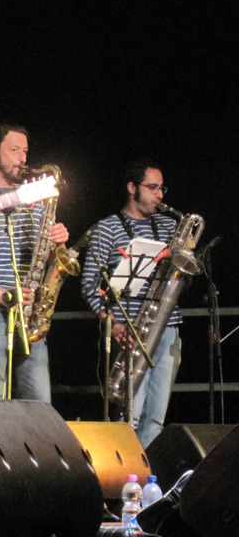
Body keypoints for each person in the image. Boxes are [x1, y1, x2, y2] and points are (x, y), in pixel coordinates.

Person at [0, 123, 68, 402]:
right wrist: (3, 295)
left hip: (28, 314)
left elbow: (45, 257)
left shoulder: (36, 199)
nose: (23, 158)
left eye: (26, 151)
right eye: (15, 150)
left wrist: (59, 242)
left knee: (40, 405)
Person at [80, 159, 182, 447]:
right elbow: (89, 284)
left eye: (161, 188)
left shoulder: (168, 226)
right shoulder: (106, 228)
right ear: (131, 188)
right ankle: (125, 481)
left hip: (168, 328)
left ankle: (149, 483)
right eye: (152, 188)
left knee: (155, 419)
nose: (160, 195)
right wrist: (112, 324)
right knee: (129, 417)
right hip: (130, 332)